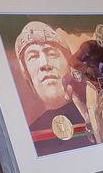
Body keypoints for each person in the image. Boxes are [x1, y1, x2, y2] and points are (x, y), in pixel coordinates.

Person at [12, 21, 96, 155]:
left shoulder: (93, 108)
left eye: (51, 54)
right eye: (33, 57)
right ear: (26, 73)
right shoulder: (29, 136)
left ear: (68, 61)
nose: (44, 64)